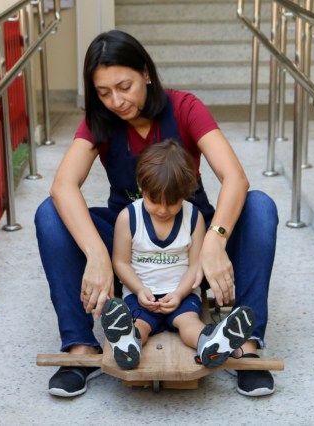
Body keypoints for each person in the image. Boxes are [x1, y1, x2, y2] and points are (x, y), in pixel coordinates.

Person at [35, 29, 278, 398]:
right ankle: (80, 349)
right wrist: (98, 255)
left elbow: (235, 178)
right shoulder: (100, 120)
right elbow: (63, 186)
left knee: (260, 206)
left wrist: (215, 240)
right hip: (131, 245)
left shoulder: (185, 107)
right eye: (104, 92)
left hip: (194, 243)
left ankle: (245, 347)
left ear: (146, 73)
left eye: (125, 86)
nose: (117, 101)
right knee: (50, 214)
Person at [101, 139, 254, 371]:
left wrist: (179, 293)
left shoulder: (193, 218)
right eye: (154, 200)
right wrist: (139, 290)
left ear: (185, 194)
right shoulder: (128, 217)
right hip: (141, 295)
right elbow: (120, 262)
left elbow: (195, 265)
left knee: (189, 324)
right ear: (142, 187)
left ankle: (211, 343)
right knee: (138, 324)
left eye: (172, 203)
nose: (163, 210)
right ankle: (127, 343)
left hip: (182, 295)